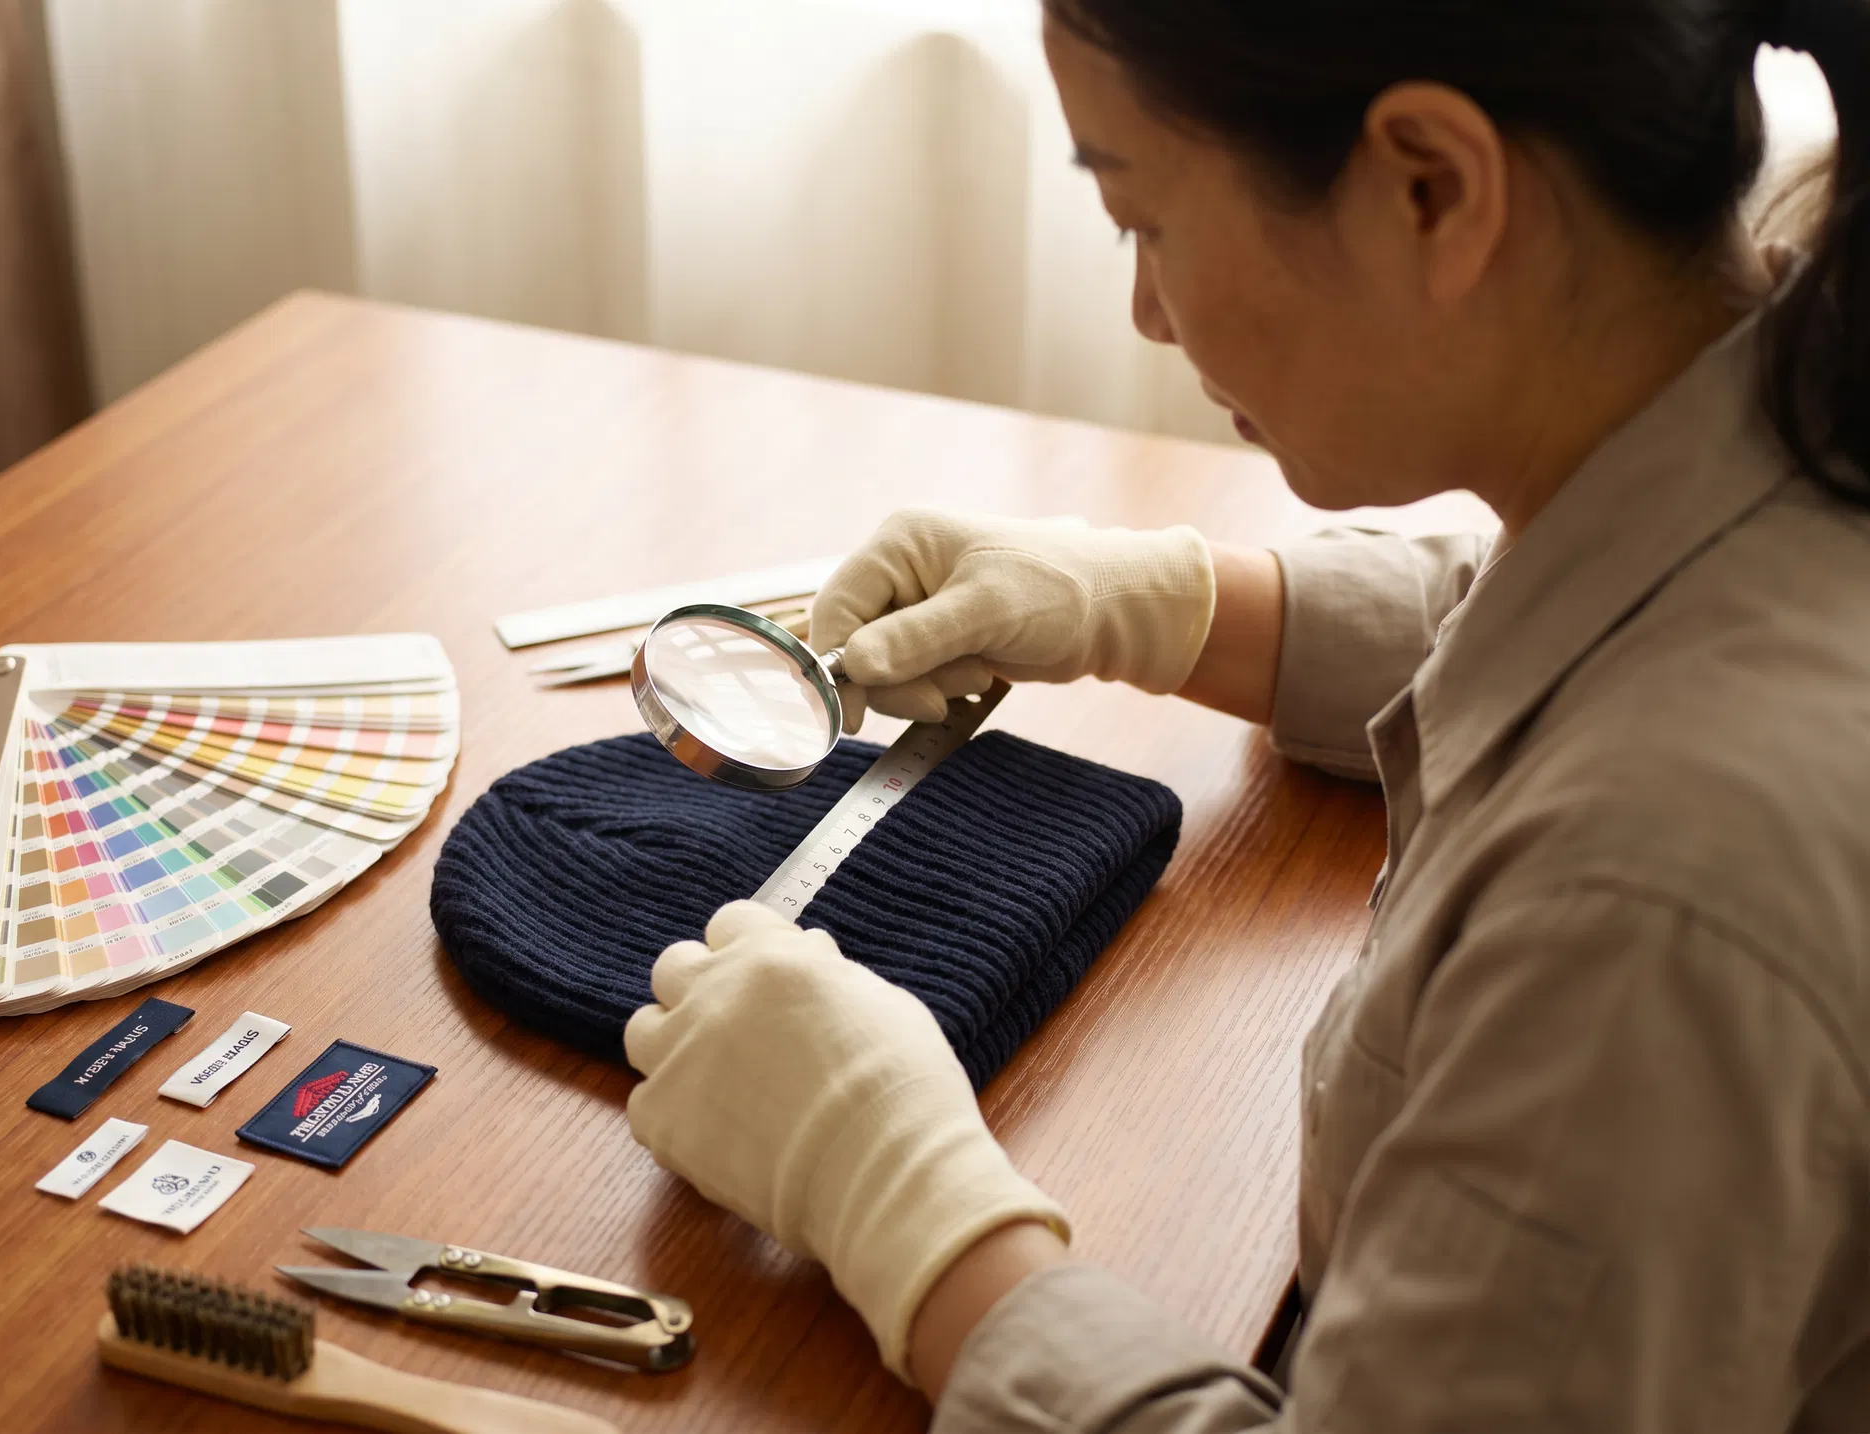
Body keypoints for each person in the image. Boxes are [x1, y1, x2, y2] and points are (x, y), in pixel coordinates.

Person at [622, 2, 1870, 1428]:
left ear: (1432, 189)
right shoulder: (1790, 358)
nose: (1146, 311)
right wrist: (1173, 600)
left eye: (1139, 219)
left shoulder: (1656, 907)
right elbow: (1613, 598)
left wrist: (914, 1213)